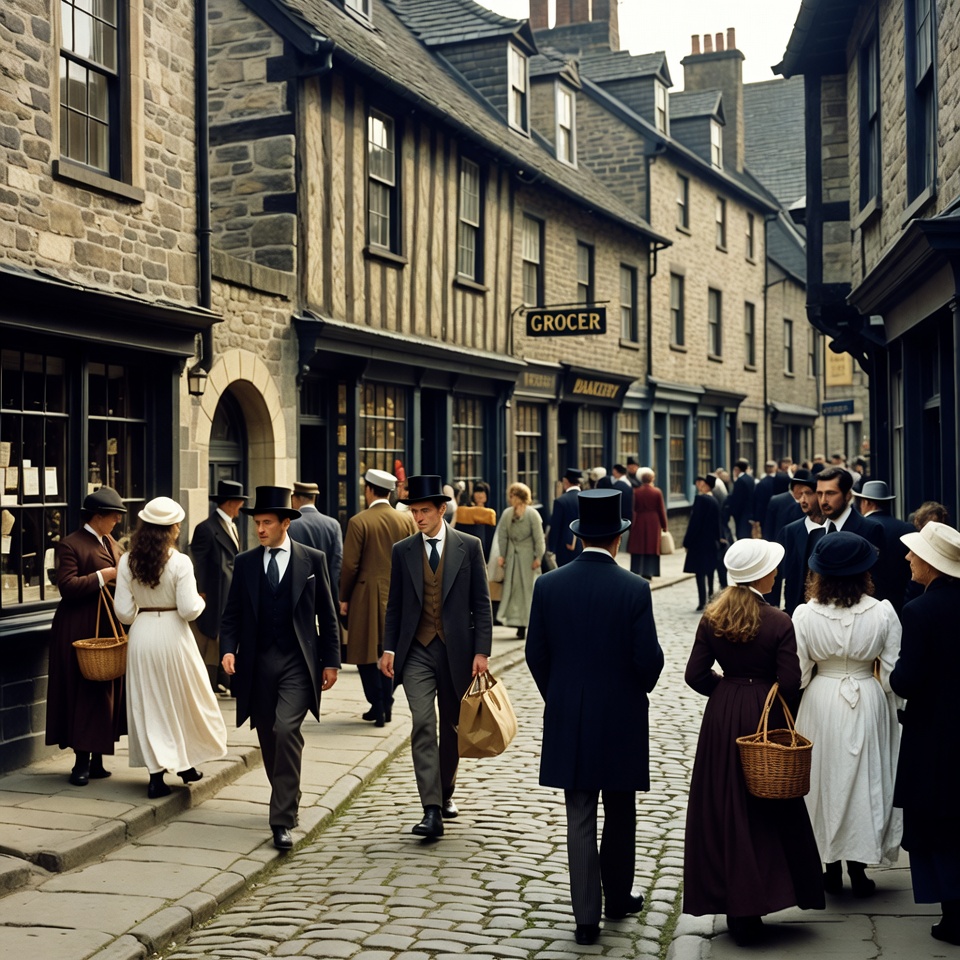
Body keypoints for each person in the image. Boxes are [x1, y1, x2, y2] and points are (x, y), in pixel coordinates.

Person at [526, 489, 663, 946]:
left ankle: (587, 918)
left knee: (580, 813)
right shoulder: (634, 588)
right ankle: (618, 896)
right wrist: (628, 692)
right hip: (621, 715)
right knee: (621, 809)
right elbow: (650, 662)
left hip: (570, 714)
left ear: (580, 536)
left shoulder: (549, 585)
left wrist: (560, 696)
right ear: (619, 540)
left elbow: (535, 655)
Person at [684, 538, 825, 945]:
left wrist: (728, 692)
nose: (777, 572)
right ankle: (764, 898)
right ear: (759, 575)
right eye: (772, 568)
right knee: (768, 805)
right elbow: (790, 681)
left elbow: (695, 675)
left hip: (723, 715)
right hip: (765, 714)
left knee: (723, 805)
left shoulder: (712, 617)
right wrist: (762, 698)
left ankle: (733, 904)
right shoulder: (779, 620)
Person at [220, 486, 340, 850]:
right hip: (258, 664)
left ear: (286, 523)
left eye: (267, 522)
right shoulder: (245, 563)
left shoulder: (312, 560)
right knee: (269, 737)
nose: (259, 529)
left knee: (287, 729)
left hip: (298, 663)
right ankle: (288, 794)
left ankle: (281, 818)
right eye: (256, 522)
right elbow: (232, 616)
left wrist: (332, 661)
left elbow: (328, 615)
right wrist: (228, 651)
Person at [380, 475, 492, 838]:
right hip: (416, 652)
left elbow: (481, 603)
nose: (418, 517)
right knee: (423, 724)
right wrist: (389, 647)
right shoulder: (403, 550)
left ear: (442, 509)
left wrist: (482, 651)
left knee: (452, 728)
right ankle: (430, 808)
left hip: (457, 652)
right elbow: (394, 605)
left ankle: (445, 792)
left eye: (424, 511)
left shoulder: (469, 546)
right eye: (413, 511)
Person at [793, 533, 902, 896]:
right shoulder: (883, 611)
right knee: (865, 779)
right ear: (864, 574)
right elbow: (891, 672)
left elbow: (801, 671)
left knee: (824, 779)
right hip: (866, 696)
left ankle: (829, 867)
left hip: (821, 699)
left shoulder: (805, 614)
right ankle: (858, 867)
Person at [114, 497, 228, 798]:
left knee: (149, 702)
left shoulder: (127, 561)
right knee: (183, 698)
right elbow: (190, 609)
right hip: (174, 635)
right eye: (177, 525)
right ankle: (183, 762)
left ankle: (159, 773)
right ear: (171, 529)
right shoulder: (179, 561)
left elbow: (124, 613)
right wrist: (202, 601)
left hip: (142, 634)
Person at [891, 521, 960, 946]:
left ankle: (952, 914)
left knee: (938, 823)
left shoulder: (919, 611)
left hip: (934, 736)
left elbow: (907, 681)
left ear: (932, 564)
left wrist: (893, 674)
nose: (908, 558)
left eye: (914, 554)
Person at [45, 487, 127, 786]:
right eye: (114, 516)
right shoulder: (69, 545)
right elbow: (67, 586)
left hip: (107, 624)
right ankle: (80, 762)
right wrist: (105, 575)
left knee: (104, 693)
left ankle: (98, 759)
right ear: (98, 516)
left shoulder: (111, 542)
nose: (117, 521)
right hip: (79, 626)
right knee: (82, 692)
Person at [339, 469, 416, 726]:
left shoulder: (359, 521)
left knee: (365, 655)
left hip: (366, 595)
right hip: (399, 593)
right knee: (391, 651)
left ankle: (378, 703)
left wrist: (344, 596)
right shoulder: (406, 520)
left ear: (369, 490)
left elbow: (349, 565)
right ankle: (387, 702)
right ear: (390, 492)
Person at [189, 479, 246, 695]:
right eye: (240, 502)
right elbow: (199, 562)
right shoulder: (206, 528)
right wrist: (201, 592)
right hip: (215, 594)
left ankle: (226, 679)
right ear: (232, 502)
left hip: (230, 591)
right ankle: (214, 681)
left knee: (228, 634)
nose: (241, 506)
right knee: (212, 639)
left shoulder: (232, 525)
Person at [813, 467, 885, 593]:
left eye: (830, 493)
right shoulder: (816, 531)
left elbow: (877, 582)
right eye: (819, 494)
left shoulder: (870, 529)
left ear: (848, 495)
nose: (823, 500)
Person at [851, 480, 913, 615]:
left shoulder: (861, 529)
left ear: (866, 502)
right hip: (900, 600)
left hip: (868, 604)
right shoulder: (906, 528)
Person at [495, 482, 545, 639]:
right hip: (512, 557)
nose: (510, 499)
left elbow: (539, 537)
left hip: (528, 557)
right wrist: (502, 555)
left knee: (528, 590)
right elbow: (502, 536)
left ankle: (527, 623)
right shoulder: (507, 514)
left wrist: (539, 557)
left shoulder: (532, 514)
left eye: (512, 496)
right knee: (513, 590)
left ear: (520, 497)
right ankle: (517, 622)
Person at [288, 481, 343, 609]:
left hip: (298, 596)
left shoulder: (290, 525)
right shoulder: (333, 525)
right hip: (324, 593)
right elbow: (337, 564)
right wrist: (333, 595)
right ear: (314, 498)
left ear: (295, 498)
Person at [762, 469, 808, 606]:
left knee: (793, 580)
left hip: (796, 550)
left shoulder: (807, 504)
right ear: (797, 488)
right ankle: (773, 605)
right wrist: (768, 547)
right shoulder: (777, 500)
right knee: (774, 579)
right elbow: (768, 527)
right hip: (777, 548)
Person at [779, 475, 824, 615]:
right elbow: (783, 574)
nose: (802, 500)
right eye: (800, 494)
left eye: (808, 494)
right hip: (798, 608)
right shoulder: (790, 531)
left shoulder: (833, 529)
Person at [683, 475, 722, 611]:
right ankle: (711, 596)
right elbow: (718, 524)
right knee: (710, 570)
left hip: (699, 542)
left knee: (700, 572)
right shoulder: (714, 501)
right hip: (711, 541)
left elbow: (695, 523)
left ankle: (702, 601)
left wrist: (687, 542)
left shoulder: (701, 499)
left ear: (705, 485)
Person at [627, 467, 667, 579]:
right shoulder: (657, 492)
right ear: (652, 479)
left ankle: (636, 569)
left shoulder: (636, 492)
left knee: (639, 546)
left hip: (639, 519)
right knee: (651, 546)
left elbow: (633, 508)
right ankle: (649, 572)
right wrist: (664, 526)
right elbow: (661, 510)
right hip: (653, 521)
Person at [453, 481, 498, 561]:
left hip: (487, 550)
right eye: (477, 492)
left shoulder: (490, 513)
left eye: (482, 492)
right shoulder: (465, 511)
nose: (480, 495)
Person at [548, 468, 583, 567]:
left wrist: (551, 549)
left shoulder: (560, 501)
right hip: (585, 546)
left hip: (564, 548)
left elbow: (555, 527)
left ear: (565, 481)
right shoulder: (588, 499)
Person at [724, 458, 755, 541]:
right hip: (749, 512)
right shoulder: (750, 479)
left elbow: (738, 500)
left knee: (742, 536)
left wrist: (733, 512)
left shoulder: (740, 481)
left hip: (741, 514)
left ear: (737, 469)